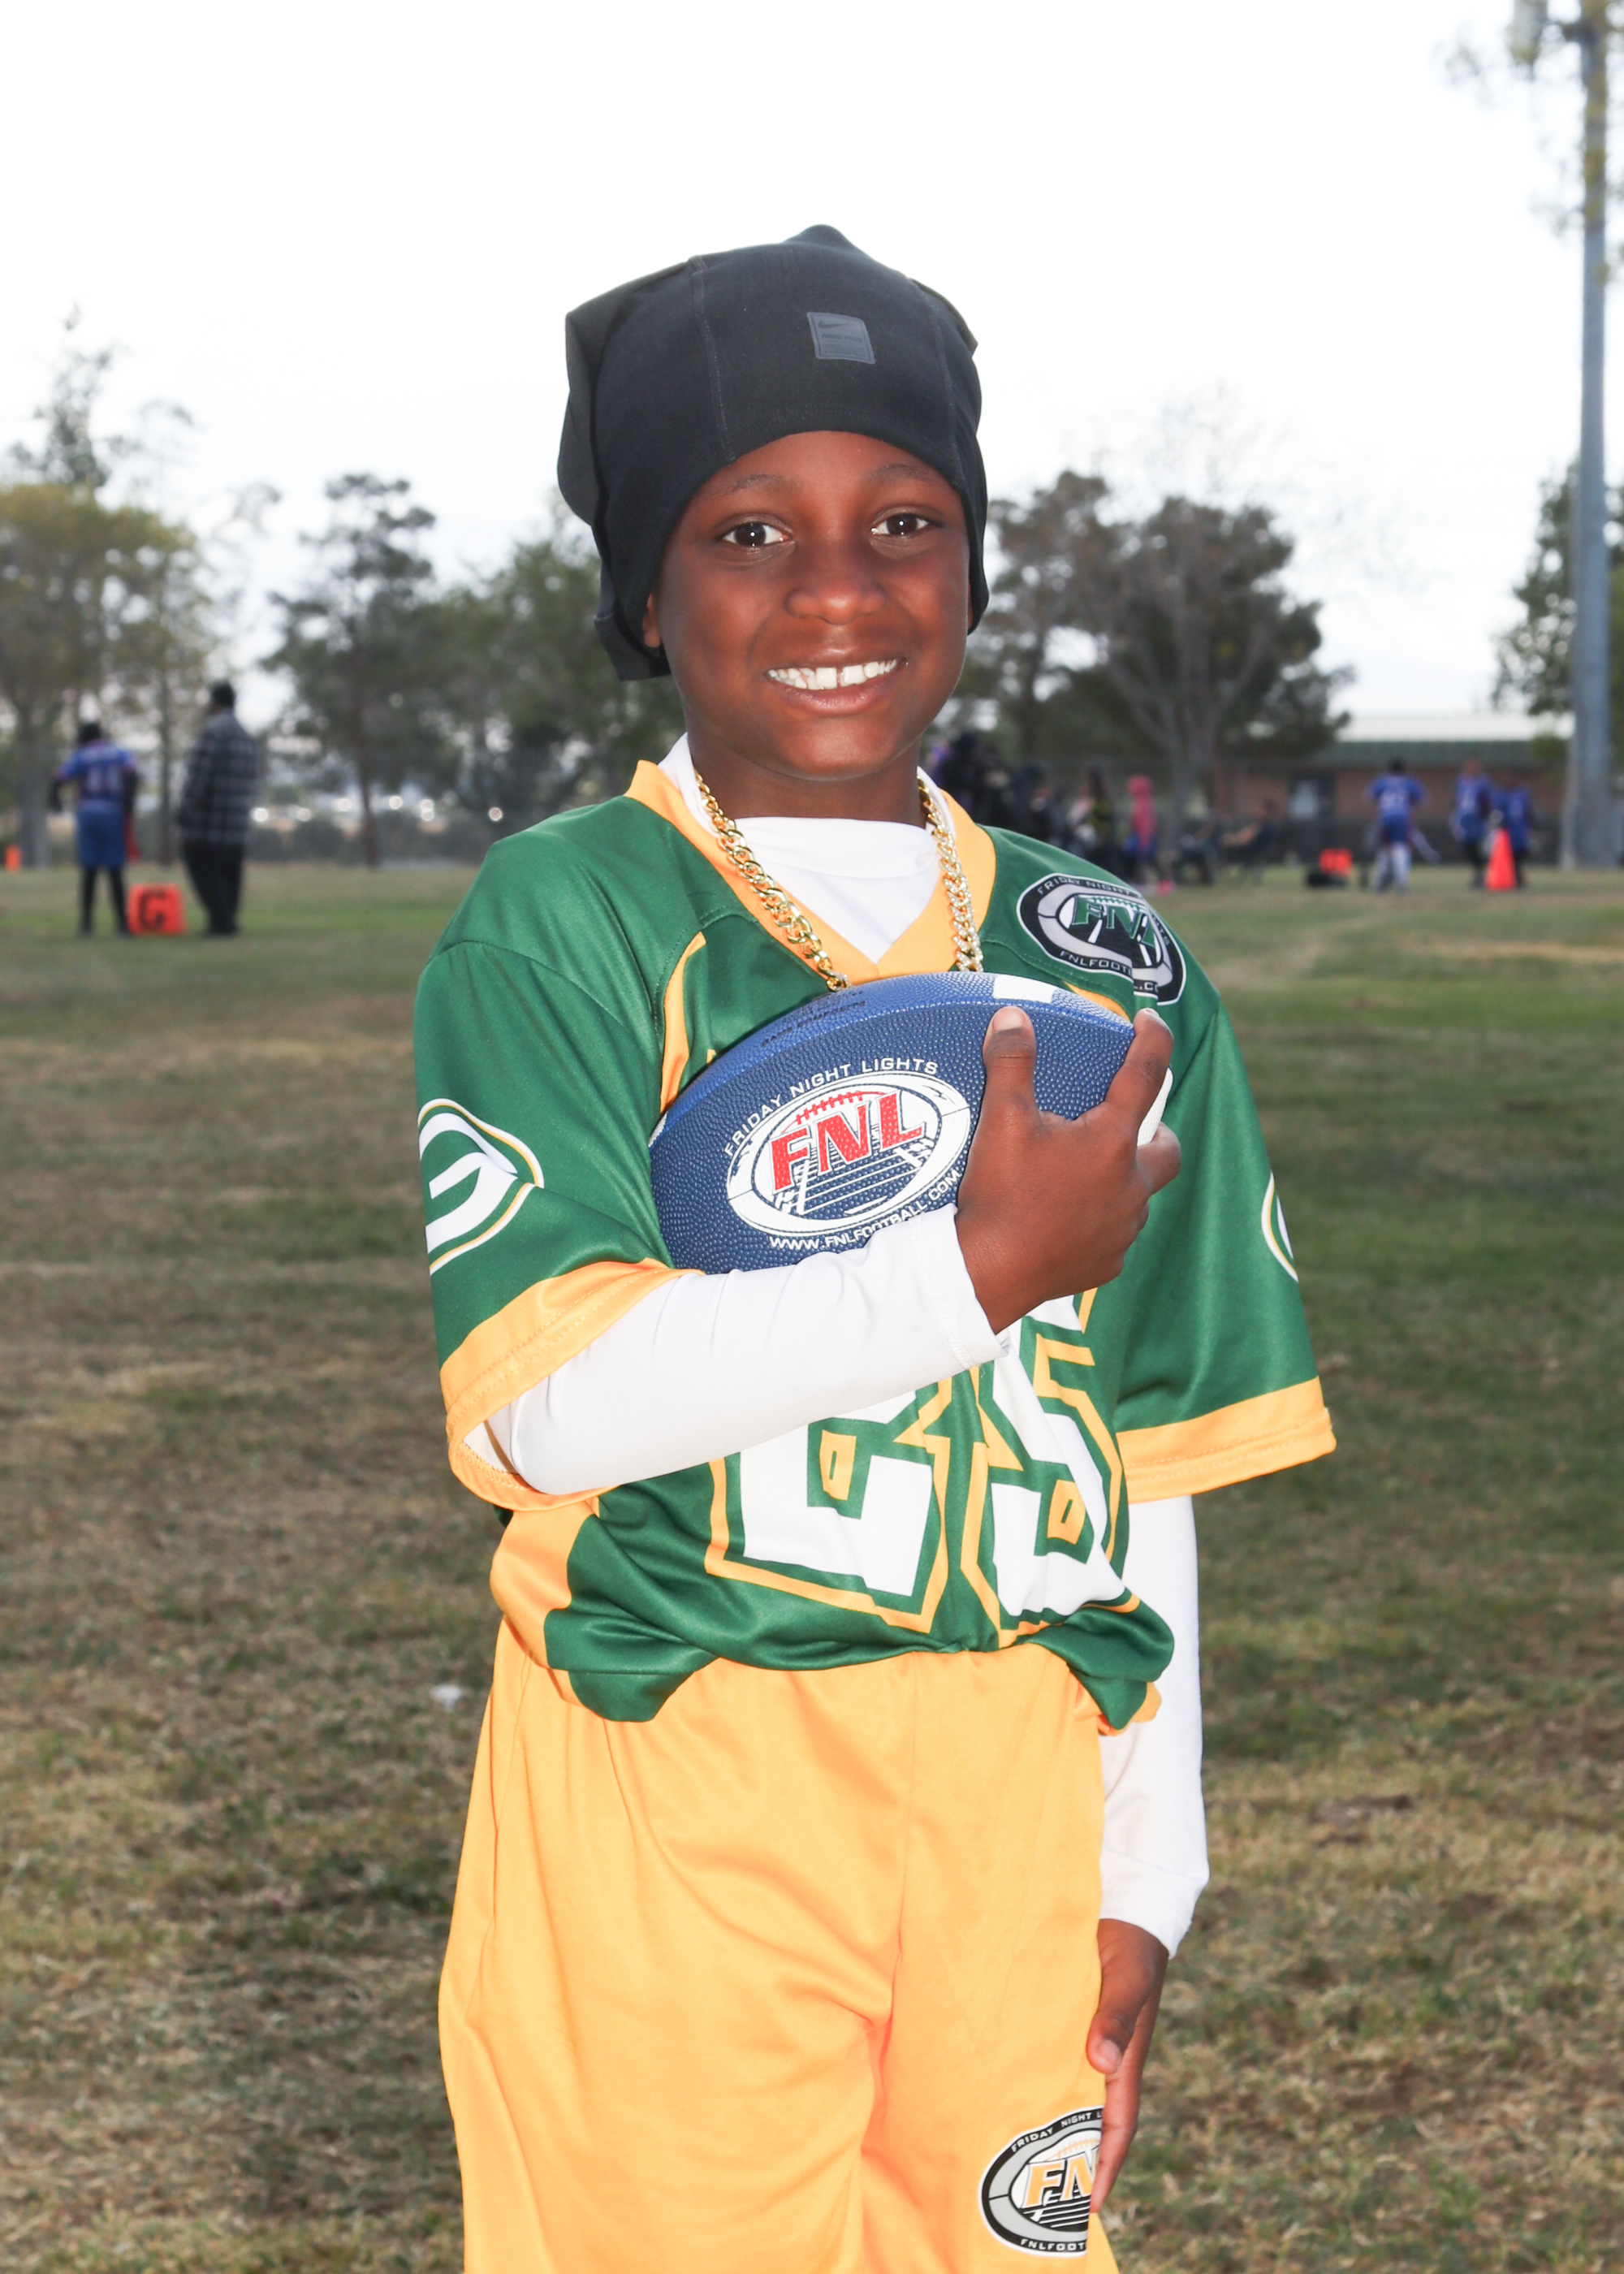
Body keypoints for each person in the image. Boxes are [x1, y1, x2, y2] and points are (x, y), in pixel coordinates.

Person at [416, 225, 1335, 2274]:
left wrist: (1147, 1870)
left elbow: (1146, 1467)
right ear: (644, 590)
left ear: (975, 565)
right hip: (680, 1776)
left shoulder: (1113, 954)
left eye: (903, 521)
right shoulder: (567, 913)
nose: (834, 588)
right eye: (747, 529)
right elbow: (554, 1403)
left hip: (1017, 1788)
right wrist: (962, 1276)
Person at [176, 681, 260, 935]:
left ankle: (220, 919)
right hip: (237, 822)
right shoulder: (246, 736)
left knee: (202, 866)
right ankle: (228, 919)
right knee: (231, 873)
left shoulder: (212, 732)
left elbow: (199, 777)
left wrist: (186, 809)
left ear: (213, 703)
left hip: (210, 822)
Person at [50, 719, 138, 935]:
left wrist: (56, 802)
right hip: (113, 813)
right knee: (115, 870)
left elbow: (59, 778)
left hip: (88, 813)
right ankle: (122, 925)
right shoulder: (119, 752)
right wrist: (128, 805)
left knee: (89, 870)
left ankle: (86, 924)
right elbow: (132, 775)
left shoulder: (82, 755)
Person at [1366, 765, 1426, 893]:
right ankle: (1401, 883)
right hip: (1402, 819)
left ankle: (1380, 882)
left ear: (1389, 771)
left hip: (1385, 818)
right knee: (1400, 849)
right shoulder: (1410, 782)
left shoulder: (1382, 781)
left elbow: (1369, 796)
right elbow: (1421, 799)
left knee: (1384, 849)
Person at [1451, 758, 1494, 886]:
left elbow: (1488, 801)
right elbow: (1456, 800)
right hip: (1464, 820)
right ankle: (1478, 873)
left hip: (1478, 820)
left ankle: (1482, 874)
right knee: (1468, 848)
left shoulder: (1483, 782)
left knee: (1481, 848)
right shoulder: (1460, 781)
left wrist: (1486, 813)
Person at [1495, 770, 1535, 886]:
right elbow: (1498, 813)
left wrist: (1531, 826)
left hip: (1521, 828)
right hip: (1508, 829)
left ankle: (1518, 875)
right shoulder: (1502, 795)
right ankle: (1514, 877)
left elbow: (1528, 811)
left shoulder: (1523, 794)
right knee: (1509, 854)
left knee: (1522, 852)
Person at [1122, 772, 1160, 884]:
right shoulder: (1138, 802)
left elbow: (1146, 825)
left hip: (1142, 839)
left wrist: (1144, 843)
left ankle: (1140, 880)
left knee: (1137, 860)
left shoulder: (1144, 804)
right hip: (1137, 837)